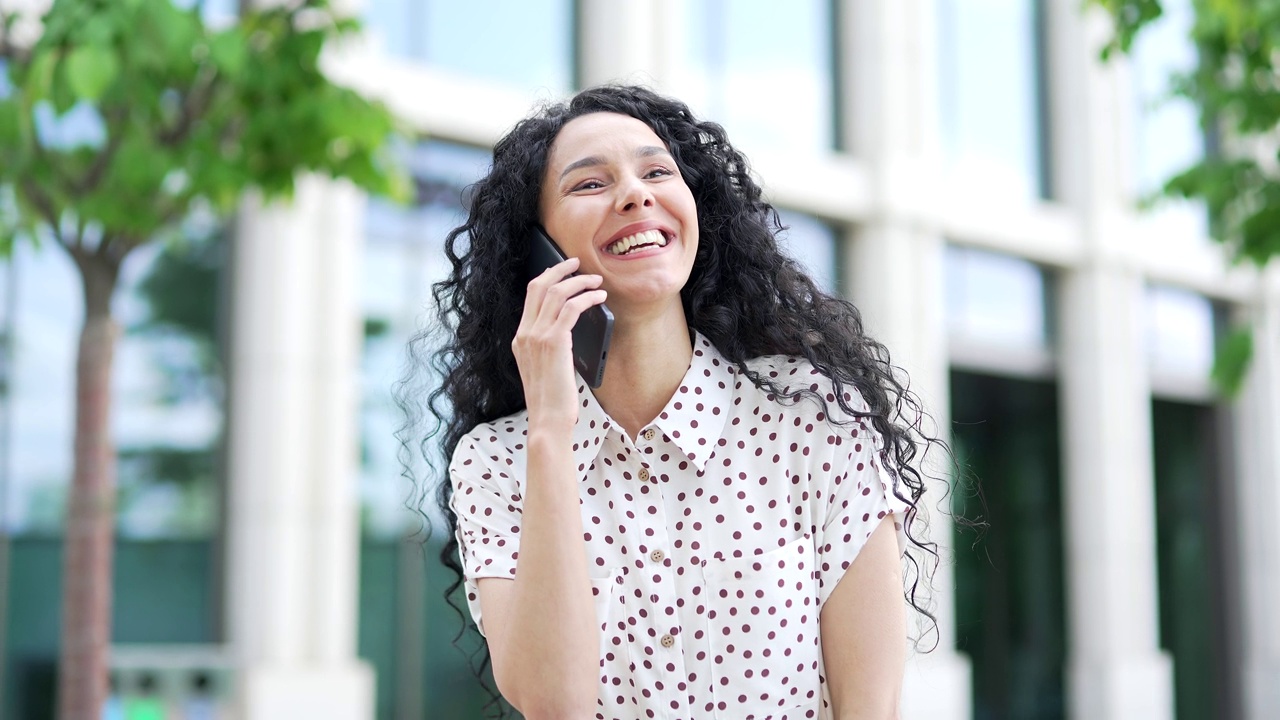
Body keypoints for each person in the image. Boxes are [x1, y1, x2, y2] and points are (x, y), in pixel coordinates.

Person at [405, 84, 940, 720]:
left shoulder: (816, 417)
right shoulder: (496, 461)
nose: (635, 192)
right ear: (536, 250)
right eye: (588, 184)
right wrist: (551, 427)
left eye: (657, 171)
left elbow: (871, 710)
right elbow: (554, 703)